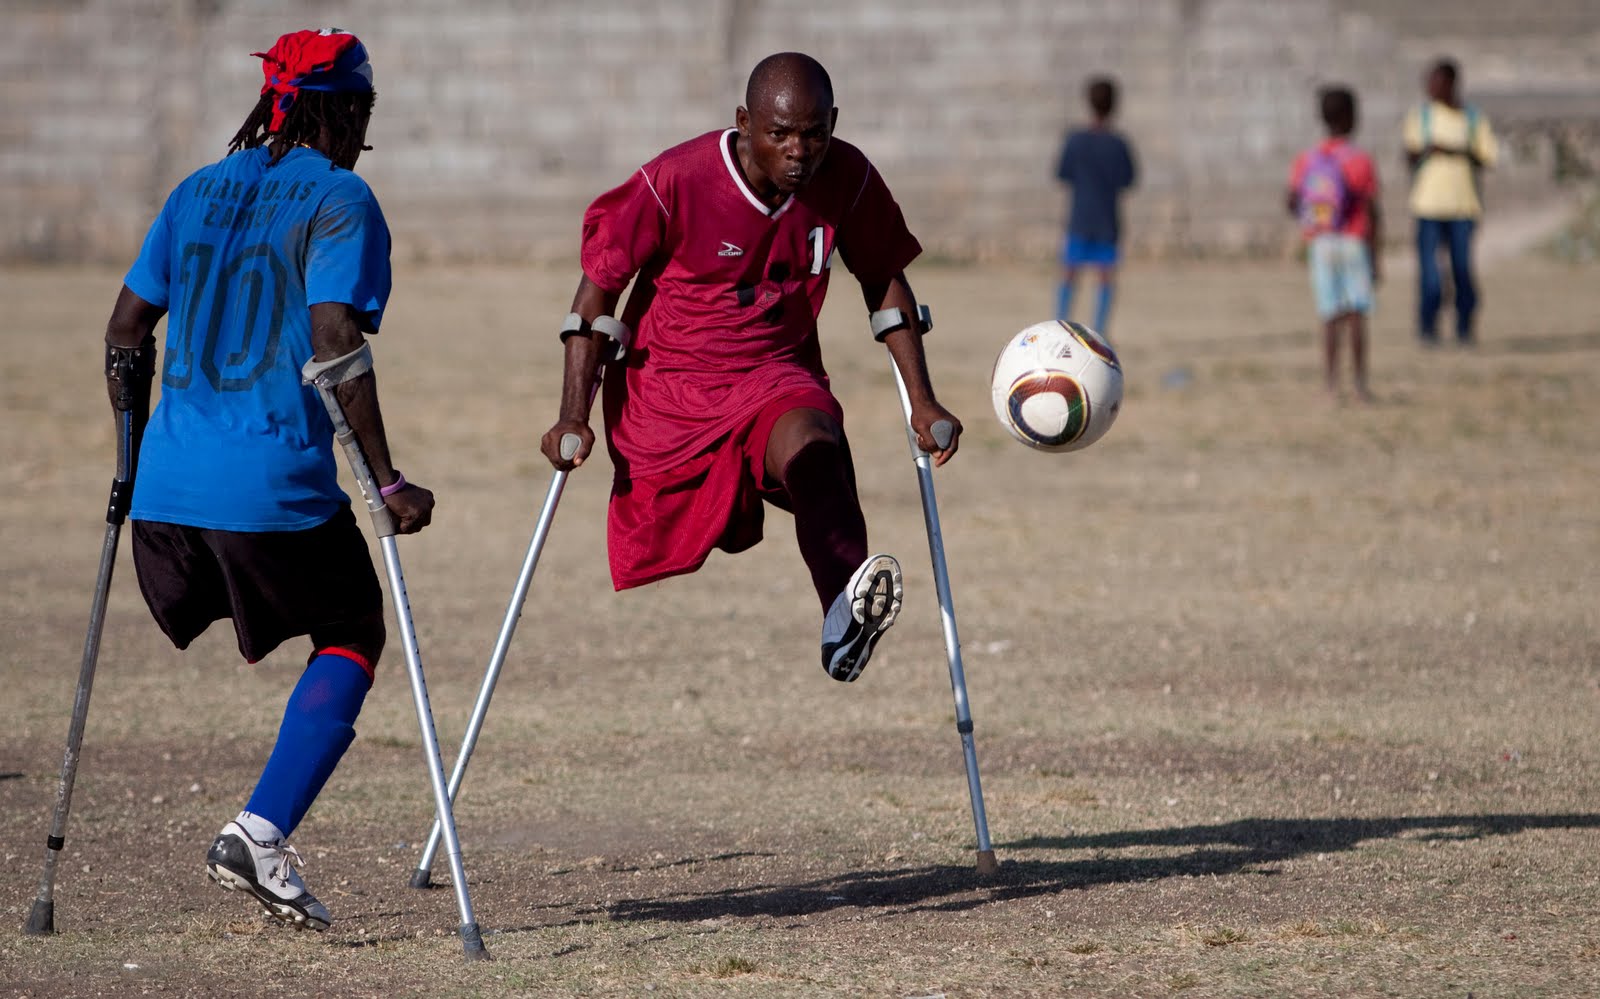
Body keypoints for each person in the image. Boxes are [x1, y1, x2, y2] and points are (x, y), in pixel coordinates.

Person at [103, 28, 433, 931]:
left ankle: (263, 828)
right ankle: (261, 830)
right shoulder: (341, 197)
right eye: (361, 110)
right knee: (354, 627)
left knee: (323, 610)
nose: (364, 129)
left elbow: (126, 330)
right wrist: (386, 479)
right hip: (269, 489)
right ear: (338, 108)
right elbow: (336, 339)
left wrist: (131, 464)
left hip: (164, 497)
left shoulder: (194, 188)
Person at [542, 52, 960, 684]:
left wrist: (923, 399)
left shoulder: (846, 176)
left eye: (815, 133)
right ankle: (841, 587)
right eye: (780, 134)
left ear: (833, 124)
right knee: (788, 475)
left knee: (818, 448)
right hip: (671, 390)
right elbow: (596, 297)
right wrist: (572, 413)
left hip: (776, 370)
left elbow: (884, 280)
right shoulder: (675, 180)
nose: (800, 151)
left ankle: (844, 610)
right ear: (744, 123)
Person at [1286, 85, 1382, 402]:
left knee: (1329, 314)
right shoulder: (1360, 160)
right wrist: (1376, 254)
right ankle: (1359, 384)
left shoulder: (1308, 159)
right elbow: (1371, 209)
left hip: (1322, 243)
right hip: (1353, 241)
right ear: (1353, 118)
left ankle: (1330, 384)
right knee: (1356, 313)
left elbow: (1292, 200)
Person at [1403, 57, 1498, 345]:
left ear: (1451, 83)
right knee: (1431, 275)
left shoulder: (1472, 119)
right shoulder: (1421, 117)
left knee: (1462, 270)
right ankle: (1428, 327)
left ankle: (1464, 327)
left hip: (1463, 207)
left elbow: (1487, 156)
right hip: (1427, 206)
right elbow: (1409, 154)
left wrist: (1454, 150)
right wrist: (1429, 151)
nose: (1431, 87)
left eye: (1436, 81)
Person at [1054, 75, 1138, 338]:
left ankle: (1060, 327)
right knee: (1105, 277)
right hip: (1106, 221)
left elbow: (1061, 173)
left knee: (1069, 274)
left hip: (1079, 218)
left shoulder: (1075, 141)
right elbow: (1129, 179)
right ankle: (1099, 332)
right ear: (1114, 105)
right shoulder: (1118, 144)